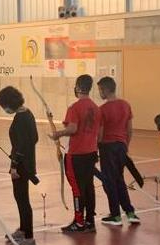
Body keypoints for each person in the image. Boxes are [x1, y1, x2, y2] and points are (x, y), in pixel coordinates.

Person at [50, 74, 100, 233]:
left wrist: (58, 134)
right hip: (91, 152)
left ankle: (79, 222)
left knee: (77, 189)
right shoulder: (96, 108)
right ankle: (90, 221)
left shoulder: (74, 108)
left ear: (78, 87)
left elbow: (73, 129)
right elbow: (99, 133)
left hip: (76, 155)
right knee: (88, 187)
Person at [0, 86, 38, 245]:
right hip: (27, 164)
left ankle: (29, 238)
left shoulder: (20, 119)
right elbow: (34, 138)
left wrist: (14, 167)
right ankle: (23, 229)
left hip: (20, 166)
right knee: (21, 199)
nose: (4, 109)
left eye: (4, 105)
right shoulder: (28, 113)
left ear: (9, 103)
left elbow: (20, 146)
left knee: (23, 201)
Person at [96, 77, 140, 226]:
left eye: (100, 90)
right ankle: (130, 212)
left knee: (109, 182)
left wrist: (96, 147)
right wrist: (125, 145)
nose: (99, 93)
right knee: (119, 179)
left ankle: (115, 215)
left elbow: (100, 135)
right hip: (121, 147)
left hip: (107, 147)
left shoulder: (102, 110)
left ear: (105, 90)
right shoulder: (125, 105)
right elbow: (130, 130)